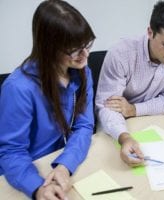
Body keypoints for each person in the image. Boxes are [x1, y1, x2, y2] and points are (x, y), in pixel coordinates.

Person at [0, 0, 95, 199]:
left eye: (87, 44)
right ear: (49, 48)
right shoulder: (18, 88)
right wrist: (38, 188)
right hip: (27, 173)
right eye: (74, 50)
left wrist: (64, 165)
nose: (85, 55)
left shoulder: (82, 71)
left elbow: (85, 126)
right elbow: (11, 152)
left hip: (62, 161)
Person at [95, 1, 164, 166]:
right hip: (117, 127)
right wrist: (124, 137)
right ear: (150, 32)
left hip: (151, 120)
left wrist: (133, 109)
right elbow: (107, 106)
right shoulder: (121, 54)